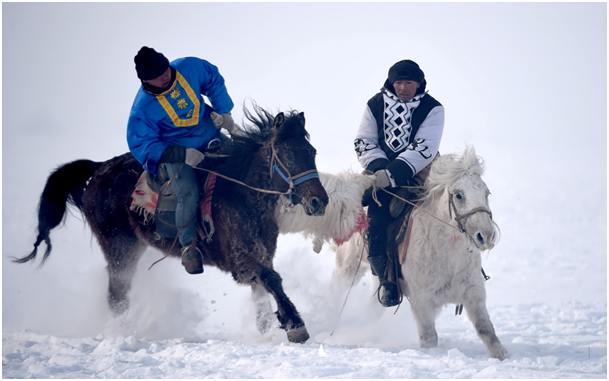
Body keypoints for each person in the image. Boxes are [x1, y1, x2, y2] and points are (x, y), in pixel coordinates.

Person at [127, 46, 238, 275]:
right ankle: (189, 246)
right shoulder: (142, 111)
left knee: (244, 162)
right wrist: (182, 154)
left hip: (211, 136)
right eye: (157, 77)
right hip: (175, 154)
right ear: (145, 80)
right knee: (187, 190)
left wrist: (223, 111)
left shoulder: (189, 67)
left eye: (165, 70)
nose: (164, 76)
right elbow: (143, 145)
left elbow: (213, 79)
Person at [354, 59, 445, 307]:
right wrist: (379, 171)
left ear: (419, 83)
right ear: (391, 83)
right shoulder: (375, 104)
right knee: (375, 216)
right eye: (399, 82)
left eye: (409, 82)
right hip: (379, 172)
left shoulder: (433, 109)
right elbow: (364, 140)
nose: (403, 88)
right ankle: (386, 281)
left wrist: (391, 175)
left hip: (420, 175)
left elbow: (424, 147)